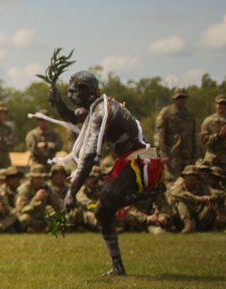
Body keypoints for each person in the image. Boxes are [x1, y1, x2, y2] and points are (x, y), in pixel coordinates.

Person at [50, 70, 165, 275]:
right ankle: (117, 267)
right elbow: (70, 116)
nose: (69, 96)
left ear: (88, 91)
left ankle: (149, 193)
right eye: (67, 92)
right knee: (102, 212)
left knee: (107, 196)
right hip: (129, 161)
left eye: (73, 92)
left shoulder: (102, 112)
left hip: (142, 160)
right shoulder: (94, 108)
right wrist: (58, 101)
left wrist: (71, 192)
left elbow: (90, 157)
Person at [166, 165, 225, 233]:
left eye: (194, 176)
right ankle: (187, 225)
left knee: (214, 202)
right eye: (189, 175)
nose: (192, 178)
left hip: (198, 217)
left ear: (197, 178)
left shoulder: (201, 187)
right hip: (180, 218)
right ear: (184, 177)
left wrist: (211, 197)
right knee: (179, 203)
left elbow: (221, 194)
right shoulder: (178, 187)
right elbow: (177, 193)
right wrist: (198, 199)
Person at [155, 87, 198, 180]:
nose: (181, 100)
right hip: (172, 155)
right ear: (174, 99)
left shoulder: (189, 115)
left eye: (183, 97)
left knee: (187, 181)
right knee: (172, 181)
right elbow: (160, 135)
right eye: (179, 98)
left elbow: (193, 136)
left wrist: (195, 156)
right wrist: (163, 154)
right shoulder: (166, 113)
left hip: (187, 155)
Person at [15, 165, 64, 233]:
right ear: (32, 177)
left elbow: (58, 203)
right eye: (38, 178)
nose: (40, 180)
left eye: (42, 178)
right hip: (31, 217)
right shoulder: (24, 189)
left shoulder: (47, 188)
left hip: (42, 217)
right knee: (24, 219)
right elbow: (21, 209)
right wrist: (36, 199)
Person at [200, 95, 226, 183]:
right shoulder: (208, 121)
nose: (222, 106)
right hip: (213, 157)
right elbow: (203, 139)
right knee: (210, 182)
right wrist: (218, 136)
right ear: (215, 105)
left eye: (224, 104)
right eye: (220, 104)